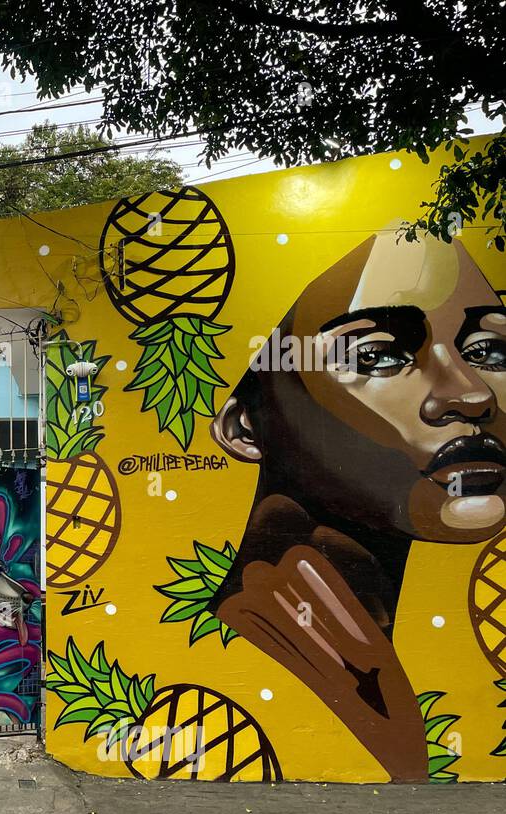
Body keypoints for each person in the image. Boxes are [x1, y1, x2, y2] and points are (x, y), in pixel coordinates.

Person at [209, 231, 506, 781]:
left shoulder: (359, 655)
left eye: (489, 350)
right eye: (378, 356)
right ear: (248, 426)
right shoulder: (283, 644)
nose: (470, 394)